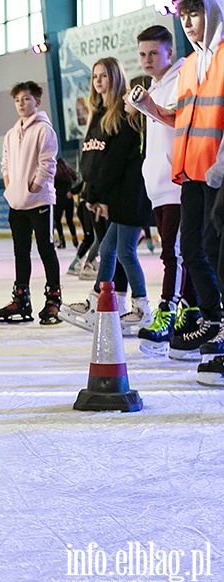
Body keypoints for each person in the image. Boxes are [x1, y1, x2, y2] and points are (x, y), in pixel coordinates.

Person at [133, 1, 224, 373]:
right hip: (192, 173)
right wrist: (150, 108)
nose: (187, 22)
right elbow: (180, 119)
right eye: (183, 15)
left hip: (218, 173)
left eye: (195, 13)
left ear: (214, 12)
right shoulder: (192, 67)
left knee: (217, 250)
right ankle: (212, 320)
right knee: (194, 249)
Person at [58, 57, 152, 335]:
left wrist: (102, 195)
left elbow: (114, 163)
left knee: (121, 251)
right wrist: (89, 192)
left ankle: (140, 306)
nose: (98, 81)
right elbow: (93, 160)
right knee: (112, 249)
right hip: (106, 195)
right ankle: (104, 302)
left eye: (104, 76)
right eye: (95, 76)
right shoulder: (97, 114)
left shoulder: (123, 116)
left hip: (123, 197)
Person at [127, 25, 201, 357]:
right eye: (142, 54)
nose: (147, 60)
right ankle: (190, 307)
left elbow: (175, 120)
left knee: (175, 252)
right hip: (157, 182)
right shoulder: (155, 84)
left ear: (170, 52)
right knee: (173, 251)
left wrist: (146, 106)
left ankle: (169, 311)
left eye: (154, 53)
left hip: (177, 180)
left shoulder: (182, 75)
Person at [0, 81, 61, 326]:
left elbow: (48, 163)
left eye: (26, 99)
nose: (22, 104)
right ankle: (21, 298)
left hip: (40, 201)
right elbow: (5, 163)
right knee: (20, 252)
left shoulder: (44, 130)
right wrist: (11, 186)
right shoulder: (12, 133)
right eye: (18, 100)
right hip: (17, 203)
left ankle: (53, 298)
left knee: (46, 249)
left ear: (37, 101)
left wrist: (33, 187)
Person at [54, 157, 79, 249]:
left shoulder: (55, 175)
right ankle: (74, 237)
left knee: (57, 220)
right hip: (69, 198)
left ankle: (61, 240)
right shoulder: (69, 174)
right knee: (69, 220)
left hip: (58, 199)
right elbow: (76, 180)